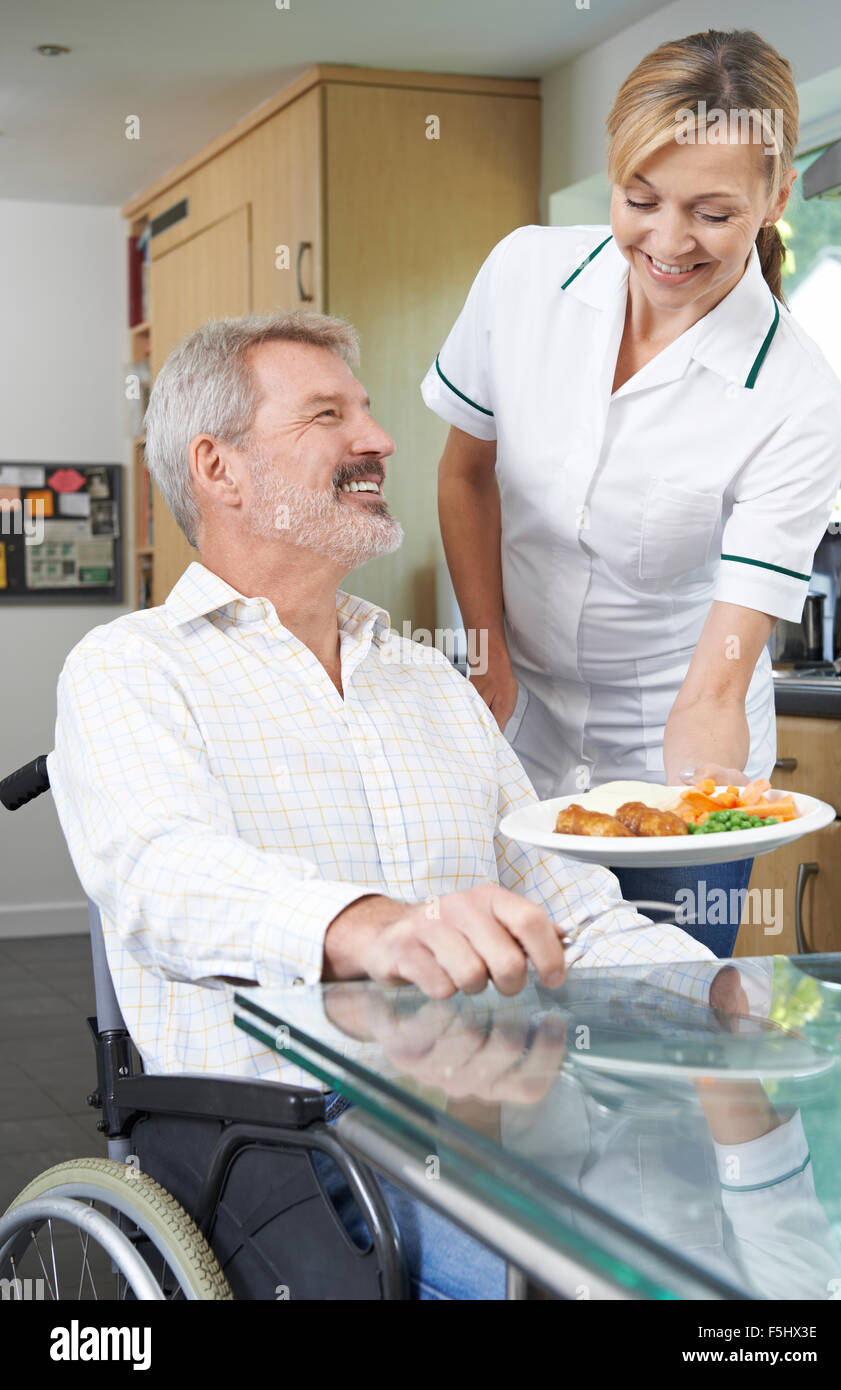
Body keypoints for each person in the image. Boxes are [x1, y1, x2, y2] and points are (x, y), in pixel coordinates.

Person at [49, 309, 724, 1301]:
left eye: (367, 410)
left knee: (737, 1218)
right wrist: (372, 928)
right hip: (289, 1141)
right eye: (329, 414)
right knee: (591, 1273)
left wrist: (727, 999)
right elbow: (162, 873)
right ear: (219, 468)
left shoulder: (432, 680)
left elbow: (571, 908)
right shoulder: (130, 668)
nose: (379, 439)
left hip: (505, 1109)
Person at [422, 28, 841, 958]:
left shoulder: (794, 398)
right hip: (515, 728)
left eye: (712, 212)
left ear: (776, 199)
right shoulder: (525, 275)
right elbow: (465, 474)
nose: (666, 243)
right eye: (640, 200)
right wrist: (484, 654)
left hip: (672, 735)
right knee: (511, 1026)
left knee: (667, 1038)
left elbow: (715, 680)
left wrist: (689, 807)